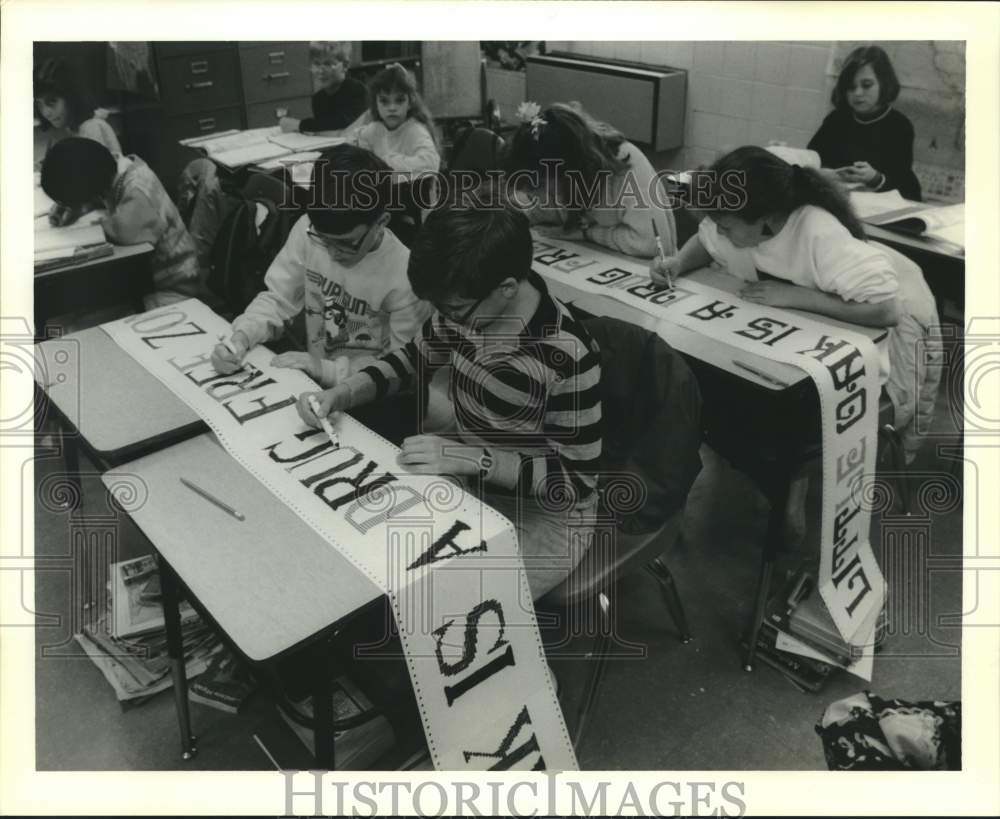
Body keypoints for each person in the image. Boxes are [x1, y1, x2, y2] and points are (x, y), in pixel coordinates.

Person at [296, 197, 603, 599]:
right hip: (474, 476)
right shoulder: (468, 309)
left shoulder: (568, 356)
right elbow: (411, 361)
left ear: (506, 288)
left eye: (454, 309)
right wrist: (342, 393)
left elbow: (575, 484)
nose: (446, 318)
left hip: (548, 516)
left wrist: (475, 459)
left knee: (448, 596)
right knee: (375, 549)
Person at [650, 146, 941, 541]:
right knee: (707, 383)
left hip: (854, 340)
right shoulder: (738, 227)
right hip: (787, 337)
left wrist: (795, 297)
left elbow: (887, 310)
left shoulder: (818, 232)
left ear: (766, 221)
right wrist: (678, 263)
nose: (720, 233)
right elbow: (707, 241)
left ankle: (788, 482)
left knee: (768, 414)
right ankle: (768, 471)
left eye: (727, 226)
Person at [211, 143, 432, 391]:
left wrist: (325, 370)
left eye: (347, 243)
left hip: (369, 396)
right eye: (323, 239)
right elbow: (278, 299)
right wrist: (242, 337)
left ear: (382, 221)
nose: (333, 253)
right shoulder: (308, 230)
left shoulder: (407, 276)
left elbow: (403, 368)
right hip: (315, 380)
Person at [40, 137, 206, 310]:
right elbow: (105, 197)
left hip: (176, 289)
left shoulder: (137, 191)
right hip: (154, 280)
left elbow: (123, 232)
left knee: (88, 316)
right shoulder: (117, 170)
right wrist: (78, 207)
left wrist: (86, 220)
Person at [503, 102, 677, 259]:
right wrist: (519, 215)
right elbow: (547, 210)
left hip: (647, 269)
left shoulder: (625, 168)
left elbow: (652, 244)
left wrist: (588, 233)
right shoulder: (561, 172)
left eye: (541, 186)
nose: (539, 195)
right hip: (595, 257)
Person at [808, 45, 922, 201]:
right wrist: (822, 171)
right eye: (851, 87)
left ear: (884, 83)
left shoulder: (899, 126)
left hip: (882, 203)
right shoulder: (837, 119)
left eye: (866, 85)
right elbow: (812, 157)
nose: (857, 93)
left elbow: (903, 184)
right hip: (841, 198)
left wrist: (875, 177)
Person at [351, 63, 441, 175]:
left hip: (415, 190)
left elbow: (431, 163)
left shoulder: (415, 130)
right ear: (376, 104)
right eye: (384, 101)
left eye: (399, 100)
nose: (392, 108)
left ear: (410, 103)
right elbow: (354, 141)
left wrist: (381, 162)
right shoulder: (376, 128)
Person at [34, 58, 122, 164]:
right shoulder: (75, 127)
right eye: (39, 104)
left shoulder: (91, 128)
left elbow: (94, 177)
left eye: (52, 102)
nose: (45, 113)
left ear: (72, 97)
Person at [279, 42, 368, 134]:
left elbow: (343, 125)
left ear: (345, 65)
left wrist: (299, 125)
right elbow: (322, 129)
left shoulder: (357, 90)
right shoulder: (318, 99)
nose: (320, 71)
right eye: (316, 64)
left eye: (328, 64)